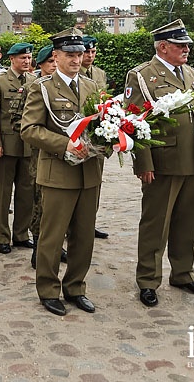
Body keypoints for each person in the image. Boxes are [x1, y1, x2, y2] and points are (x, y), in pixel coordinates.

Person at [123, 19, 194, 308]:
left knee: (188, 222)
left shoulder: (191, 73)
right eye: (180, 45)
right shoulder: (142, 76)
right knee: (156, 224)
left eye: (187, 44)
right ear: (163, 47)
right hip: (163, 161)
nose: (187, 48)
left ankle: (183, 273)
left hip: (193, 160)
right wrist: (143, 163)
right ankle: (148, 280)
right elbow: (134, 122)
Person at [20, 29, 104, 316]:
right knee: (52, 237)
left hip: (89, 172)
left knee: (84, 236)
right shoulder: (42, 87)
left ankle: (76, 287)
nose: (77, 60)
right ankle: (48, 289)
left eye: (80, 54)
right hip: (58, 173)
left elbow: (102, 125)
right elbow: (29, 130)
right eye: (70, 55)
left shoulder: (92, 87)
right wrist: (65, 144)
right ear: (55, 56)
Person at [0, 42, 36, 255]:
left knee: (26, 193)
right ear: (12, 59)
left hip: (28, 145)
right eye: (22, 57)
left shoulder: (34, 81)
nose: (27, 61)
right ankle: (3, 236)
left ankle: (21, 234)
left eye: (29, 57)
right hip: (5, 146)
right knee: (3, 194)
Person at [26, 45, 64, 268]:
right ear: (40, 65)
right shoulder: (35, 88)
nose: (55, 65)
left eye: (55, 61)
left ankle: (58, 246)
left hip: (65, 156)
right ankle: (38, 246)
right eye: (50, 62)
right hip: (38, 155)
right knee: (41, 203)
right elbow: (23, 123)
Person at [81, 35, 110, 240]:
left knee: (95, 181)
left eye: (93, 52)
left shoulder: (99, 74)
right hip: (78, 133)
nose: (90, 56)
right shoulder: (70, 73)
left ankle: (89, 222)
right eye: (86, 52)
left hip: (97, 135)